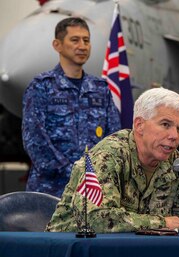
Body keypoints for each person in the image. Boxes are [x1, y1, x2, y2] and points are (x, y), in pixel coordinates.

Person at [46, 88, 179, 233]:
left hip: (133, 256)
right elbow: (94, 219)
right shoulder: (108, 155)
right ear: (139, 125)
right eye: (165, 125)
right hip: (72, 252)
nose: (174, 136)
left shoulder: (176, 164)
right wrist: (162, 222)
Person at [22, 17, 121, 198]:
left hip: (93, 191)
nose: (82, 46)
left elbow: (114, 138)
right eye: (74, 40)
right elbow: (35, 140)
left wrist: (95, 174)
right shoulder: (41, 86)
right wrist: (73, 172)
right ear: (57, 45)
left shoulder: (100, 88)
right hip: (50, 191)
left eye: (86, 40)